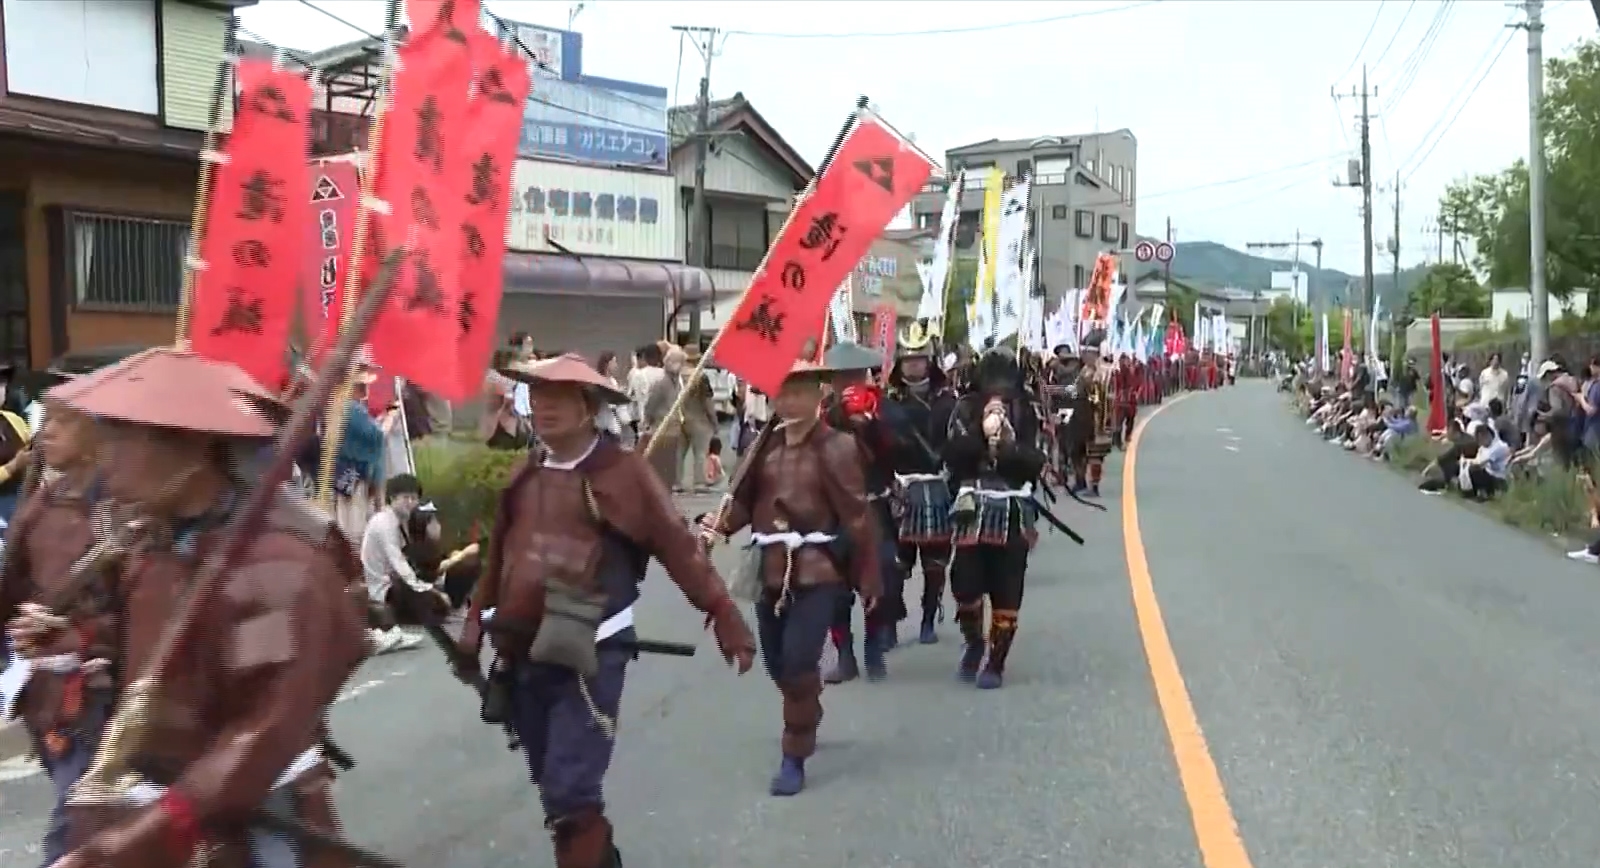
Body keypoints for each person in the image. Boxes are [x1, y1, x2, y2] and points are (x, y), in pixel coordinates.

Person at [44, 348, 368, 868]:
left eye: (126, 435)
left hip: (246, 816)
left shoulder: (275, 563)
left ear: (191, 448)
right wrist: (79, 646)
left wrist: (150, 833)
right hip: (153, 799)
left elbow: (264, 723)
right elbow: (154, 657)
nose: (108, 455)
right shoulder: (156, 543)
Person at [458, 354, 755, 866]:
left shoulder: (623, 473)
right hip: (522, 651)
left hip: (591, 654)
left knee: (572, 792)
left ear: (588, 407)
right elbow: (499, 557)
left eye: (559, 398)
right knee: (555, 789)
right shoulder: (525, 474)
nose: (545, 408)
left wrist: (722, 610)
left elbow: (678, 546)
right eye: (539, 397)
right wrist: (472, 623)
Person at [699, 357, 880, 796]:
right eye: (781, 391)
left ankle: (793, 753)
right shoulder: (764, 445)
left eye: (798, 391)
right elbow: (744, 502)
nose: (787, 399)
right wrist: (717, 526)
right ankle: (805, 707)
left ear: (819, 393)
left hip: (816, 569)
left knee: (799, 662)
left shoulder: (838, 446)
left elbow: (857, 515)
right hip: (768, 568)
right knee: (778, 663)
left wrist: (869, 573)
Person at [1, 382, 112, 867]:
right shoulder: (41, 506)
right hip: (44, 687)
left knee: (78, 819)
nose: (44, 433)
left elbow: (150, 605)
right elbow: (9, 591)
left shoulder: (130, 509)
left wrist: (89, 638)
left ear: (93, 433)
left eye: (60, 422)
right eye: (44, 420)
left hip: (104, 686)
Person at [942, 345, 1048, 689]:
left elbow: (1037, 461)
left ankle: (996, 663)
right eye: (992, 380)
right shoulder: (964, 408)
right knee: (965, 584)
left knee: (1007, 588)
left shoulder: (1027, 409)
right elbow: (953, 455)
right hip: (972, 504)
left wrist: (1009, 449)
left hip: (1013, 506)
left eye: (1005, 381)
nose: (998, 388)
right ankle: (973, 642)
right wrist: (981, 438)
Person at [816, 341, 906, 684]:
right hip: (833, 511)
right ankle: (845, 655)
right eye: (841, 376)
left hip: (873, 506)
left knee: (881, 576)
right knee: (832, 586)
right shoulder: (822, 413)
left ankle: (873, 650)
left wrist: (870, 427)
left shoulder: (885, 410)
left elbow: (899, 452)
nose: (848, 381)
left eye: (854, 374)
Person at [885, 322, 958, 645]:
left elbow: (958, 442)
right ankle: (890, 619)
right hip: (901, 488)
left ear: (930, 361)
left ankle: (929, 617)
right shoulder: (888, 402)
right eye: (908, 359)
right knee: (895, 563)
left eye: (920, 358)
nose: (914, 364)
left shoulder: (948, 400)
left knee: (935, 564)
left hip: (938, 486)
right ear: (900, 363)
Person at [360, 472, 446, 654]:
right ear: (392, 498)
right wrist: (428, 589)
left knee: (436, 606)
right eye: (406, 497)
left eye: (414, 498)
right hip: (383, 589)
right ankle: (390, 628)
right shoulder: (384, 523)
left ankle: (397, 624)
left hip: (393, 583)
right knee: (432, 606)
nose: (411, 503)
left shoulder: (398, 521)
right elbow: (399, 565)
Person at [1072, 332, 1114, 497]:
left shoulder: (1097, 373)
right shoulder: (1085, 371)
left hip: (1094, 418)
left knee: (1094, 453)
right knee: (1079, 451)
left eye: (1087, 353)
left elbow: (1096, 397)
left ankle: (1094, 487)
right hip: (1082, 417)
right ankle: (1081, 481)